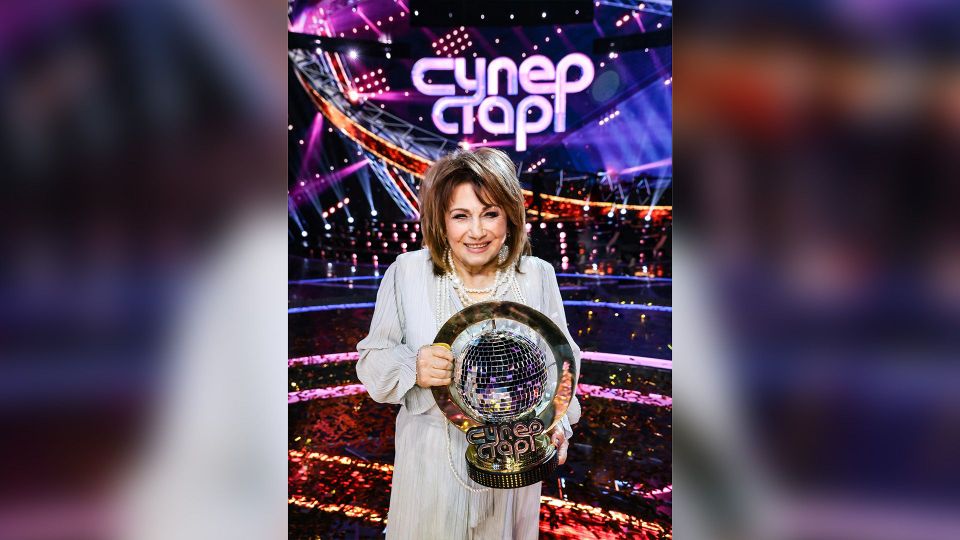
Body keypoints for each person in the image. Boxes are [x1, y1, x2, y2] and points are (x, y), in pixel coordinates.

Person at [356, 148, 582, 539]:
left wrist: (555, 423)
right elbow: (373, 360)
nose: (476, 232)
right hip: (431, 464)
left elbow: (561, 364)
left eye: (490, 213)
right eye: (461, 216)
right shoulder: (407, 272)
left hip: (512, 463)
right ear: (441, 221)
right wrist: (413, 366)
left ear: (510, 216)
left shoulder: (537, 274)